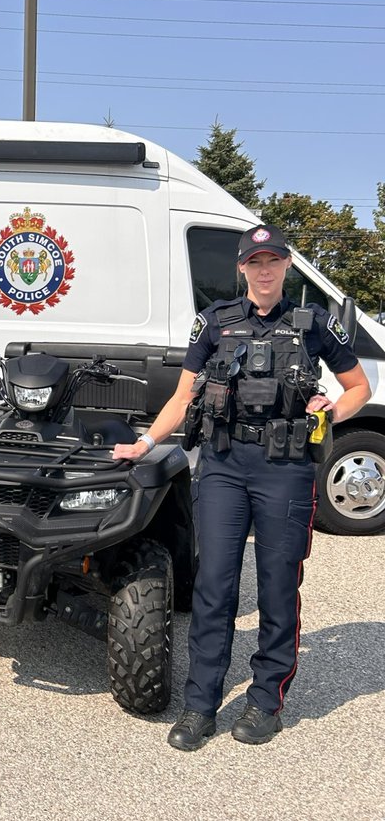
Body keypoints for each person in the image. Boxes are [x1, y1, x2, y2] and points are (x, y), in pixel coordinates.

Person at [113, 223, 370, 751]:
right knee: (214, 587)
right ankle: (200, 704)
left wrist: (330, 410)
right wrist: (145, 443)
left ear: (286, 266)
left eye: (274, 260)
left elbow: (358, 386)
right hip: (225, 464)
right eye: (256, 262)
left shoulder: (314, 323)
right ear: (242, 269)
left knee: (278, 586)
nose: (265, 270)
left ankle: (265, 702)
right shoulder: (214, 322)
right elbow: (184, 397)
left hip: (286, 466)